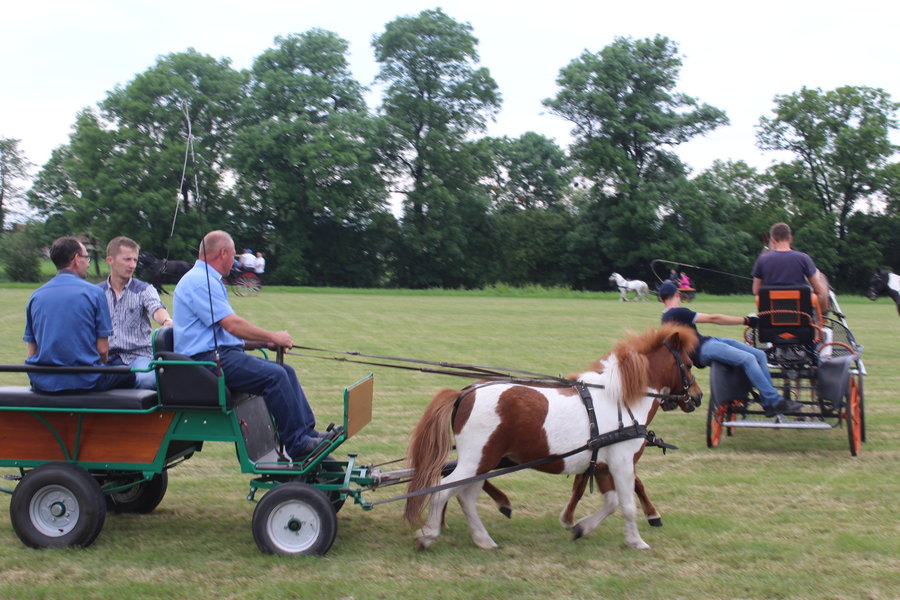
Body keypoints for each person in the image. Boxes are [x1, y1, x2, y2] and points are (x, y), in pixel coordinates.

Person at [172, 231, 323, 460]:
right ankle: (298, 444)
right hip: (204, 362)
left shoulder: (208, 280)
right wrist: (273, 334)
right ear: (223, 253)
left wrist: (266, 341)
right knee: (275, 376)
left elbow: (227, 335)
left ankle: (306, 433)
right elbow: (232, 325)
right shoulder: (200, 281)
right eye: (234, 256)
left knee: (285, 372)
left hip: (217, 355)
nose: (235, 262)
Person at [657, 281, 802, 417]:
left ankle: (768, 403)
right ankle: (775, 401)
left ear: (661, 300)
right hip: (703, 349)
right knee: (749, 359)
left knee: (760, 355)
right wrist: (746, 320)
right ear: (677, 294)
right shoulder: (676, 312)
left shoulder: (665, 318)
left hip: (708, 341)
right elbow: (714, 318)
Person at [24, 236, 136, 393]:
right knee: (129, 374)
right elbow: (103, 350)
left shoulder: (36, 296)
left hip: (42, 381)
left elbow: (31, 350)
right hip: (85, 380)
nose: (88, 263)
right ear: (76, 259)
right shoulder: (95, 293)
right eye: (86, 257)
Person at [98, 237, 173, 389]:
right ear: (110, 260)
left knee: (147, 380)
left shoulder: (144, 289)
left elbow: (156, 308)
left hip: (138, 356)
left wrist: (166, 321)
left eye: (134, 260)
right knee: (83, 381)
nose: (132, 265)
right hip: (105, 358)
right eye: (127, 259)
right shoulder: (96, 293)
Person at [752, 222, 830, 315]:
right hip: (802, 317)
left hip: (772, 317)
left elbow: (756, 291)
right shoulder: (804, 258)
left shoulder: (762, 259)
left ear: (772, 240)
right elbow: (818, 290)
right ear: (790, 239)